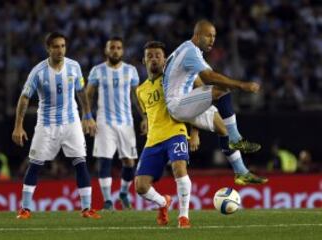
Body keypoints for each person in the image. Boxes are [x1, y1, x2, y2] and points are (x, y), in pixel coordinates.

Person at [163, 19, 267, 184]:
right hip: (177, 103)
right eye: (208, 35)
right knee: (222, 88)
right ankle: (235, 138)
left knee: (222, 126)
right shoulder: (191, 51)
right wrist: (242, 85)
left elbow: (197, 82)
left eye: (214, 36)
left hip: (182, 102)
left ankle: (241, 172)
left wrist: (195, 131)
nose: (212, 40)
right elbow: (209, 77)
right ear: (197, 35)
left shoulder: (186, 50)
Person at [11, 32, 100, 219]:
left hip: (71, 122)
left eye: (63, 46)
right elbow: (24, 98)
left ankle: (86, 209)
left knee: (81, 162)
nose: (60, 50)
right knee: (35, 164)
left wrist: (88, 115)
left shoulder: (74, 67)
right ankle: (25, 209)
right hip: (46, 124)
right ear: (48, 49)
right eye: (56, 46)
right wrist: (18, 126)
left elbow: (81, 92)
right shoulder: (38, 71)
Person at [135, 41, 199, 228]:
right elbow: (149, 113)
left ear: (164, 60)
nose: (154, 59)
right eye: (150, 56)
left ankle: (184, 217)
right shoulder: (140, 90)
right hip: (153, 140)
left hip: (176, 132)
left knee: (179, 168)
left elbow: (196, 99)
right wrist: (146, 121)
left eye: (158, 55)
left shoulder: (175, 80)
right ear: (144, 61)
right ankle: (163, 203)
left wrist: (194, 132)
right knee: (140, 186)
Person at [86, 37, 142, 210]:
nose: (115, 50)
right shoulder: (97, 70)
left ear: (122, 51)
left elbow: (137, 97)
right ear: (106, 50)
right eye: (112, 48)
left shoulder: (131, 70)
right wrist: (87, 116)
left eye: (118, 48)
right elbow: (88, 94)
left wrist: (146, 118)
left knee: (129, 162)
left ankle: (124, 193)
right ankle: (108, 201)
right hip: (104, 122)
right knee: (104, 161)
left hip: (126, 122)